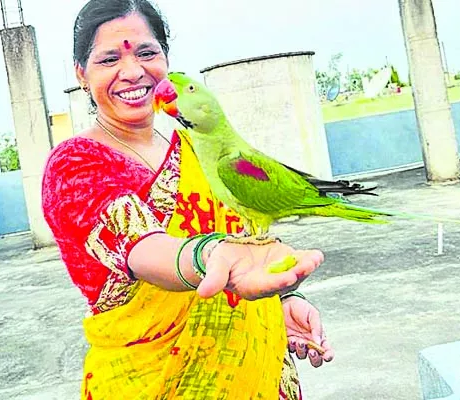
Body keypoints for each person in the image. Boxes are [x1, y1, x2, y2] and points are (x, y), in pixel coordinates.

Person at [41, 0, 334, 398]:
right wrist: (210, 258)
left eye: (147, 53)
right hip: (155, 382)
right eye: (109, 59)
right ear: (81, 74)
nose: (132, 72)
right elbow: (145, 249)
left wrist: (283, 299)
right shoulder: (75, 165)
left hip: (256, 375)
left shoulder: (197, 149)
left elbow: (244, 235)